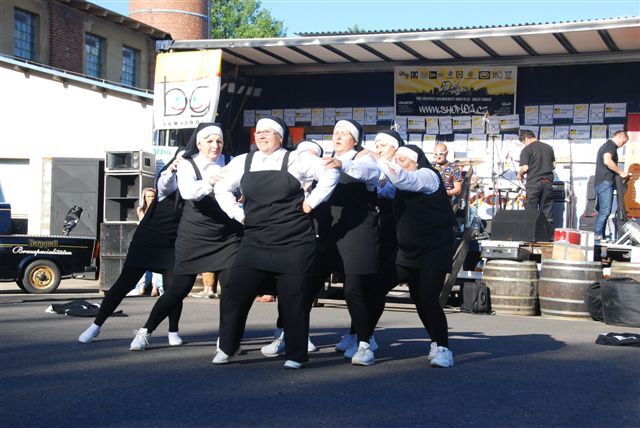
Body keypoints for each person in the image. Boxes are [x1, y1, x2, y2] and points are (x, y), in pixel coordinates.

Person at [213, 117, 340, 369]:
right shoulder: (243, 161)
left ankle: (295, 354)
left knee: (294, 298)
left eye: (268, 132)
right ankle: (227, 347)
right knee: (234, 292)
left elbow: (331, 172)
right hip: (255, 239)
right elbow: (220, 188)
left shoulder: (296, 159)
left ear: (280, 137)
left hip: (294, 240)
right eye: (258, 132)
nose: (261, 136)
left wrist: (312, 202)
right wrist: (238, 214)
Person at [129, 122, 242, 351]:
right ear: (199, 143)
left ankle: (226, 339)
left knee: (231, 288)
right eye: (209, 141)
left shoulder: (231, 161)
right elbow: (189, 192)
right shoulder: (187, 164)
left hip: (227, 234)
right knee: (178, 289)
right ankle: (145, 330)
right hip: (194, 234)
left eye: (219, 141)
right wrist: (210, 181)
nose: (215, 145)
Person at [78, 148, 185, 345]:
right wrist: (172, 168)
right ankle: (96, 325)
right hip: (147, 240)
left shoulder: (195, 185)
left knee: (174, 290)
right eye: (182, 159)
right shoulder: (167, 181)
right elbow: (165, 182)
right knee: (123, 284)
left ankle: (173, 331)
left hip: (172, 244)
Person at [374, 144, 456, 368]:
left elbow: (403, 179)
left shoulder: (427, 175)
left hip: (433, 249)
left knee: (426, 299)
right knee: (377, 286)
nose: (398, 164)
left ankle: (442, 347)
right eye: (397, 160)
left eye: (402, 160)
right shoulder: (400, 183)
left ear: (416, 162)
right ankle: (364, 339)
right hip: (408, 250)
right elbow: (382, 191)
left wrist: (381, 158)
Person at [322, 119, 381, 366]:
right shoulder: (326, 159)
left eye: (343, 133)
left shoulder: (364, 160)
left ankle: (365, 343)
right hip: (330, 229)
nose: (337, 137)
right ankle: (290, 336)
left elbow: (370, 174)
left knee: (354, 290)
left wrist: (342, 163)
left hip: (358, 231)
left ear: (354, 140)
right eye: (335, 132)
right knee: (305, 283)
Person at [593, 130, 630, 241]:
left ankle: (600, 236)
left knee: (603, 211)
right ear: (620, 137)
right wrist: (621, 172)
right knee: (605, 211)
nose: (623, 145)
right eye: (624, 142)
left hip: (602, 182)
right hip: (605, 182)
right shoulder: (611, 146)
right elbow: (607, 161)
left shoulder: (607, 146)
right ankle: (597, 236)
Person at [516, 129, 556, 223]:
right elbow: (554, 165)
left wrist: (520, 174)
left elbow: (525, 168)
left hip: (534, 183)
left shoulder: (526, 150)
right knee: (547, 211)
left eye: (523, 143)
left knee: (531, 211)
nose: (524, 145)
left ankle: (532, 231)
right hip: (548, 182)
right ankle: (547, 231)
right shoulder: (548, 148)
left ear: (526, 139)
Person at [131, 187, 162, 297]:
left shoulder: (159, 208)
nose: (150, 198)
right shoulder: (141, 209)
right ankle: (141, 287)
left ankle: (155, 287)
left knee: (158, 264)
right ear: (144, 198)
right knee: (143, 264)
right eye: (148, 196)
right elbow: (143, 222)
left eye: (152, 196)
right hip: (145, 238)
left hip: (157, 238)